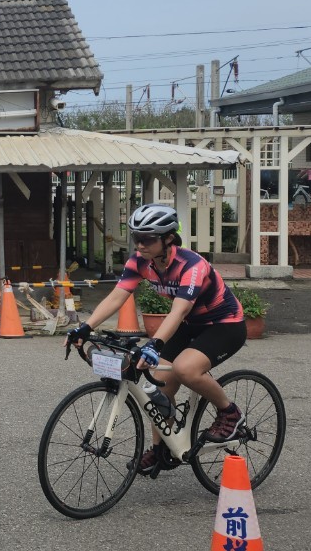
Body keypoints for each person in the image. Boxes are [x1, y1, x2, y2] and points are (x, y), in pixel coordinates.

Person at [65, 203, 247, 476]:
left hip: (224, 324)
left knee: (185, 368)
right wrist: (85, 327)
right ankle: (161, 449)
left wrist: (155, 343)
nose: (139, 244)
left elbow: (179, 309)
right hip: (189, 324)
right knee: (156, 385)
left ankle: (230, 413)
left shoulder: (192, 265)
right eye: (136, 237)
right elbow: (118, 296)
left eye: (147, 239)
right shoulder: (140, 261)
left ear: (168, 238)